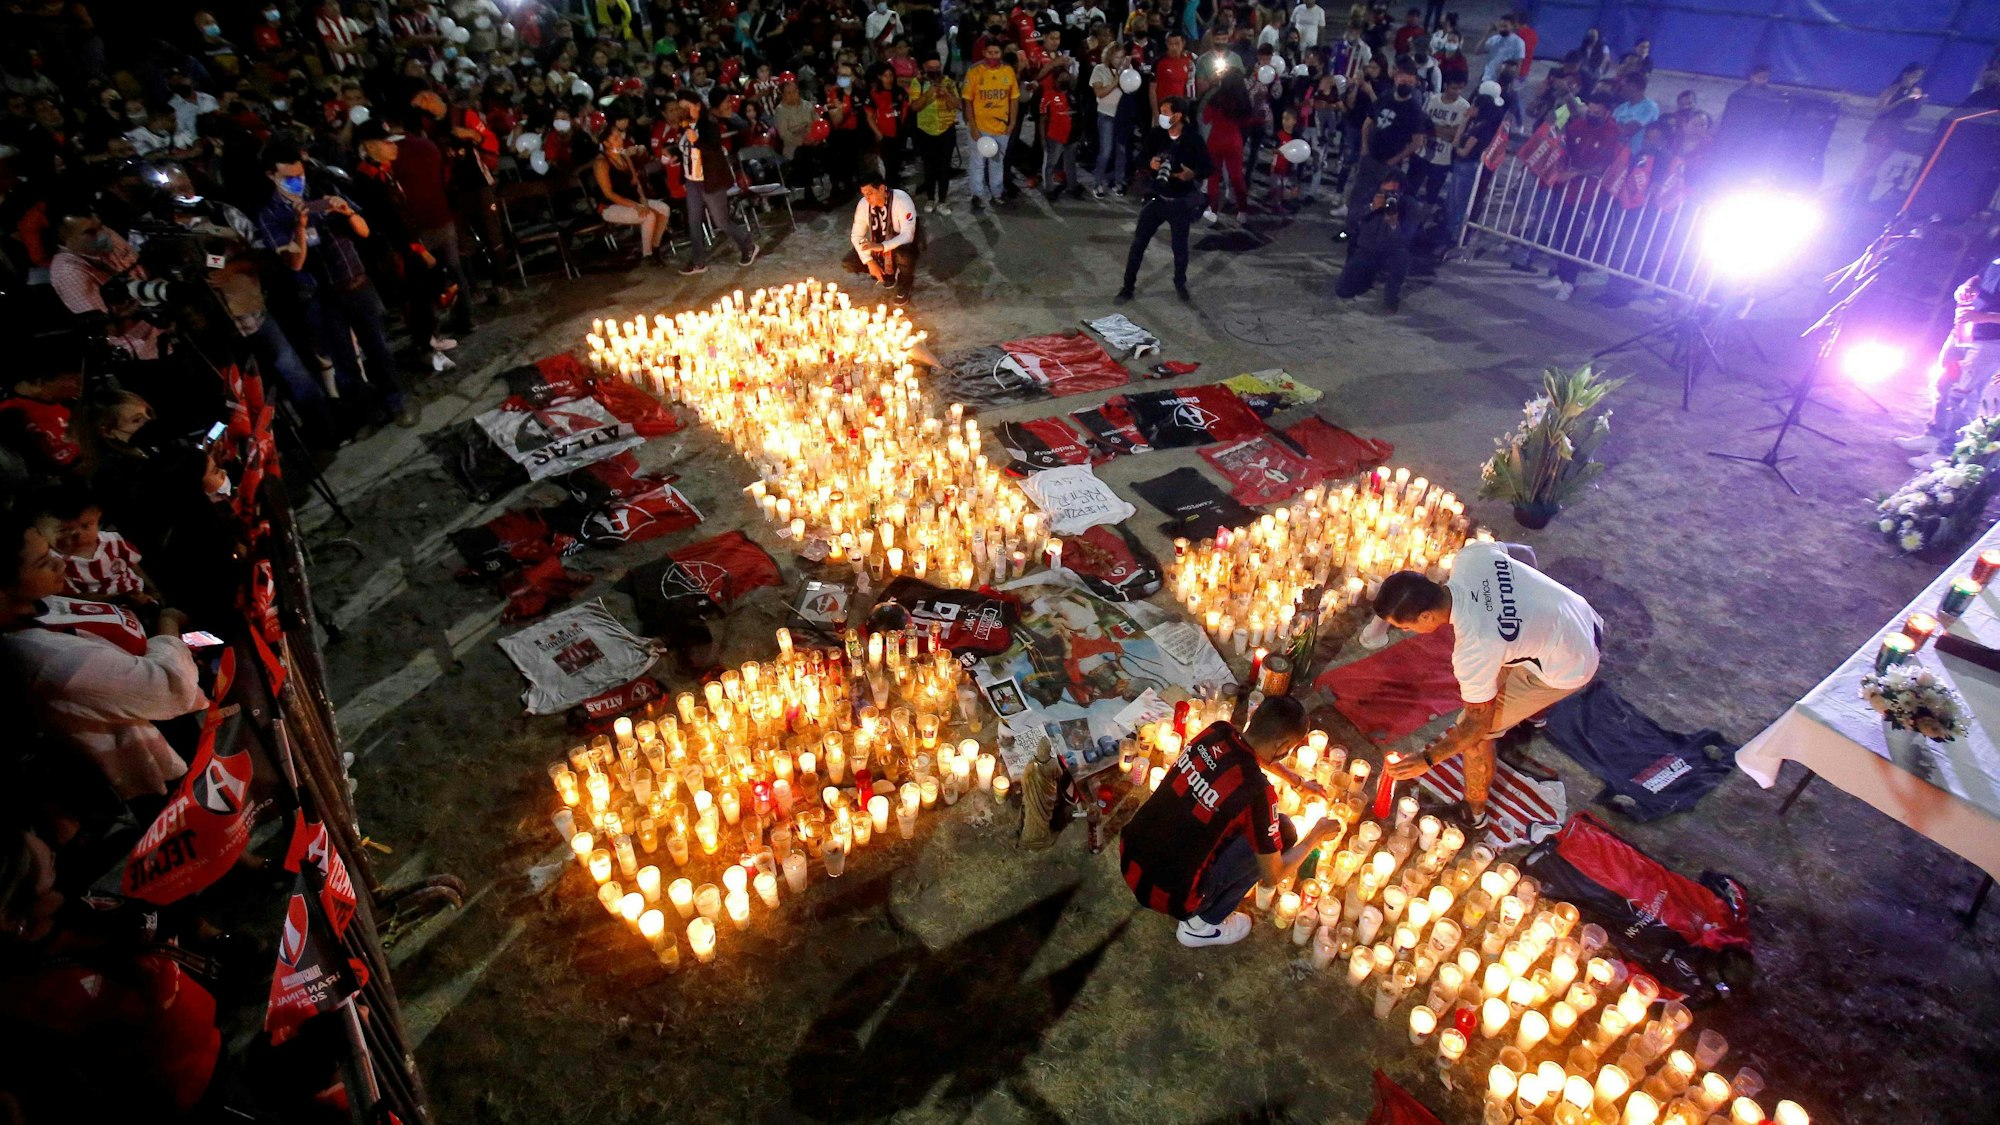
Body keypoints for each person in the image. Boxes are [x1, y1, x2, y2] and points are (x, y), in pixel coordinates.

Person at [1373, 541, 1604, 834]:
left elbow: (1476, 724)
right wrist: (1518, 608)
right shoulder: (1471, 558)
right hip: (1580, 615)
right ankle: (1532, 712)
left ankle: (1474, 812)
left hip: (1572, 664)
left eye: (1405, 627)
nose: (1406, 632)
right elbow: (1525, 553)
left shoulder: (1475, 648)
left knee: (1473, 737)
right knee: (1505, 662)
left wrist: (1428, 759)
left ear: (1426, 617)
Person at [0, 511, 206, 801]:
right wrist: (168, 623)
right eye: (44, 562)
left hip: (167, 719)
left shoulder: (39, 600)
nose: (60, 563)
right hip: (157, 761)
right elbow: (170, 687)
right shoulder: (50, 661)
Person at [1117, 697, 1340, 948]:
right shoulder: (1257, 793)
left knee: (1231, 820)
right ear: (1283, 745)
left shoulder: (1218, 731)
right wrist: (1316, 835)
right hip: (1170, 896)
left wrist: (1297, 782)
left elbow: (1254, 753)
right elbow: (1273, 875)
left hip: (1130, 856)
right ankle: (1202, 925)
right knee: (1284, 831)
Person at [256, 141, 411, 426]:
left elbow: (364, 232)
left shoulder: (323, 190)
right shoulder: (271, 215)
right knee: (344, 362)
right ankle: (368, 413)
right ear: (271, 175)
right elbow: (294, 263)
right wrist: (300, 227)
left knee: (377, 349)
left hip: (357, 282)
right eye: (288, 177)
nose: (297, 181)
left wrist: (348, 214)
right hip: (321, 295)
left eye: (299, 174)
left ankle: (395, 402)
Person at [1118, 95, 1211, 302]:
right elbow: (1139, 159)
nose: (1161, 116)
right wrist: (1149, 164)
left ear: (1178, 116)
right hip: (1157, 199)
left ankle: (1180, 283)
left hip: (1179, 203)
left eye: (1165, 113)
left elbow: (1208, 167)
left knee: (1180, 248)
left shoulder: (1193, 139)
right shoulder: (1156, 135)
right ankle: (1127, 286)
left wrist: (1192, 174)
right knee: (1138, 244)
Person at [671, 89, 759, 274]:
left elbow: (713, 151)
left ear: (697, 106)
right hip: (692, 180)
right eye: (681, 108)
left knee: (721, 221)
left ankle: (747, 244)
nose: (684, 112)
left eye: (686, 107)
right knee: (693, 221)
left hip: (710, 179)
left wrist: (697, 142)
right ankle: (698, 261)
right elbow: (685, 149)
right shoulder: (685, 126)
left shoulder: (708, 125)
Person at [1344, 61, 1430, 233]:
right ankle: (1351, 230)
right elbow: (1368, 123)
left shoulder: (1414, 110)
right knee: (1358, 195)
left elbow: (1417, 141)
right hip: (1371, 157)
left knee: (1382, 199)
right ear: (1396, 78)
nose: (1405, 84)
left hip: (1389, 164)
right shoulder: (1385, 97)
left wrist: (1395, 159)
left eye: (1409, 81)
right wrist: (1365, 148)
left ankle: (1370, 232)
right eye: (1402, 79)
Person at [1850, 63, 1926, 201]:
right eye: (1914, 75)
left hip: (1895, 131)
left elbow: (1912, 114)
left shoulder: (1914, 91)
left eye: (1919, 77)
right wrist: (1903, 100)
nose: (1916, 79)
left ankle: (1862, 194)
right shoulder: (1893, 89)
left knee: (1878, 163)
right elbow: (1880, 109)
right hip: (1881, 129)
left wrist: (1918, 101)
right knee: (1868, 161)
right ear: (1906, 74)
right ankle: (1850, 190)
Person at [1336, 177, 1412, 311]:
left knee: (1402, 256)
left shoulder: (1409, 207)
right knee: (1343, 290)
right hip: (1367, 250)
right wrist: (1371, 207)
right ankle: (1367, 277)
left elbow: (1405, 240)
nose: (1388, 196)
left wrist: (1394, 224)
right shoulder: (1369, 196)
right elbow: (1352, 220)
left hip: (1390, 252)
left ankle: (1391, 296)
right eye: (1385, 191)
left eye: (1393, 192)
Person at [961, 40, 1019, 212]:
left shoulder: (1008, 71)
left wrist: (1012, 123)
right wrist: (973, 127)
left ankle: (997, 193)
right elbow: (967, 101)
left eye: (996, 53)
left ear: (1001, 53)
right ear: (984, 53)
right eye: (990, 53)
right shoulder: (974, 72)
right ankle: (977, 195)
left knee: (997, 162)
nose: (993, 56)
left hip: (1001, 128)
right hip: (980, 128)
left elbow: (1014, 98)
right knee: (977, 163)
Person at [843, 174, 918, 303]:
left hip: (901, 243)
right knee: (849, 262)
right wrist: (869, 261)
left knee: (903, 254)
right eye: (864, 194)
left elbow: (908, 235)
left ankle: (906, 282)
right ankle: (886, 273)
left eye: (870, 193)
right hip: (876, 244)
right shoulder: (863, 204)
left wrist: (882, 247)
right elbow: (856, 235)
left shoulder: (901, 199)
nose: (866, 198)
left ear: (882, 189)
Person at [908, 57, 961, 213]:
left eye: (937, 67)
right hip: (925, 130)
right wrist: (929, 92)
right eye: (931, 67)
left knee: (944, 167)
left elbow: (957, 105)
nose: (934, 70)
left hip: (946, 130)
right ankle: (931, 199)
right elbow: (915, 107)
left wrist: (946, 95)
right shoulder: (917, 83)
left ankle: (943, 200)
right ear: (925, 66)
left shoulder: (949, 82)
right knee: (929, 166)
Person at [1088, 44, 1134, 196]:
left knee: (1121, 152)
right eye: (1117, 57)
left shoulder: (1128, 71)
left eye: (1122, 56)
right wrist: (1116, 80)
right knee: (1106, 152)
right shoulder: (1099, 69)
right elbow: (1100, 93)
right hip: (1106, 115)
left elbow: (1132, 88)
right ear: (1109, 56)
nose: (1120, 60)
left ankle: (1118, 182)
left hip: (1122, 116)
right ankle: (1097, 183)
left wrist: (1128, 72)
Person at [1479, 14, 1525, 85]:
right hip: (1487, 78)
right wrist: (1487, 33)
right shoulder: (1494, 39)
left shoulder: (1518, 42)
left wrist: (1512, 82)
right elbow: (1477, 51)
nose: (1502, 29)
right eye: (1500, 26)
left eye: (1505, 26)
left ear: (1512, 26)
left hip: (1503, 82)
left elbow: (1518, 65)